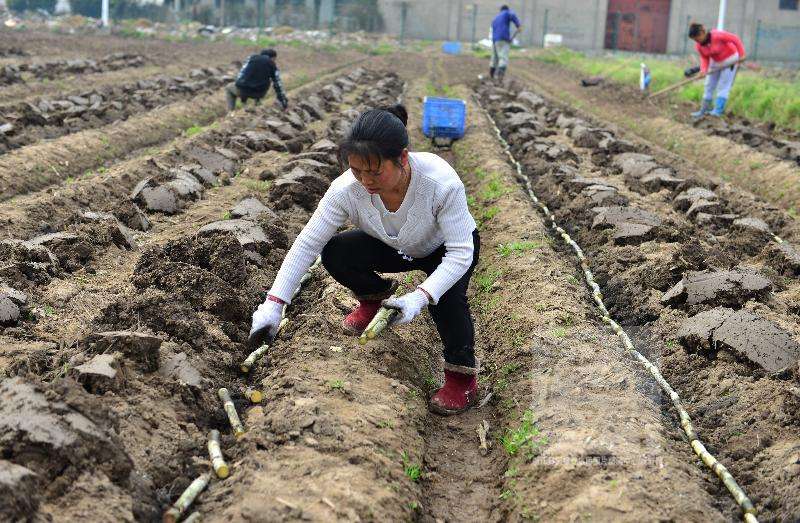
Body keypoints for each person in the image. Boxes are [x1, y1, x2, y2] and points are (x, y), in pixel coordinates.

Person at [248, 105, 481, 415]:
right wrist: (274, 304)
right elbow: (307, 244)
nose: (365, 180)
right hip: (394, 245)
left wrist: (420, 296)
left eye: (374, 171)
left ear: (403, 158)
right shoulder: (346, 190)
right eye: (357, 170)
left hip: (446, 250)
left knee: (448, 300)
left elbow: (460, 253)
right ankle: (373, 301)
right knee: (336, 251)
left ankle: (461, 378)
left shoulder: (440, 184)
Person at [688, 22, 745, 118]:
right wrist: (703, 70)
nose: (697, 41)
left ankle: (717, 111)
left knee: (723, 85)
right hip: (715, 62)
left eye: (697, 38)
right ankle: (704, 110)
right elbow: (705, 58)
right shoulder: (699, 45)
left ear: (702, 33)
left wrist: (742, 54)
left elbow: (735, 39)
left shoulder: (717, 35)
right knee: (708, 85)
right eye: (695, 40)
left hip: (730, 59)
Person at [490, 4, 522, 82]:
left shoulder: (495, 18)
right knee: (503, 57)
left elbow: (493, 29)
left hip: (495, 40)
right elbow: (512, 15)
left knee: (495, 57)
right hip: (503, 39)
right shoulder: (507, 13)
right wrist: (518, 25)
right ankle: (500, 77)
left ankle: (491, 74)